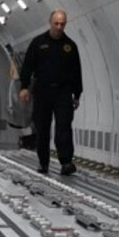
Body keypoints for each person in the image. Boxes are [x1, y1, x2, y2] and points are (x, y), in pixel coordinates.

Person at [18, 9, 82, 176]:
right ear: (50, 22)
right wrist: (24, 87)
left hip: (63, 92)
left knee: (64, 127)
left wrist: (77, 94)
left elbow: (76, 72)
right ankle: (43, 162)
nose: (59, 27)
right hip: (43, 91)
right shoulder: (38, 43)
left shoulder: (70, 46)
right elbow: (27, 66)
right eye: (56, 23)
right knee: (43, 129)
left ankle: (66, 161)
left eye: (62, 24)